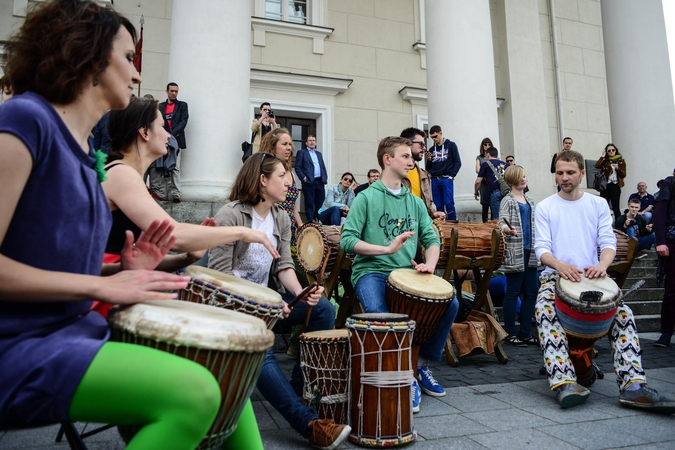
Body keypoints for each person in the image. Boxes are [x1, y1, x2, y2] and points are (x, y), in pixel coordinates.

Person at [0, 1, 233, 447]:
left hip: (73, 332)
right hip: (20, 345)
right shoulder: (24, 121)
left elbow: (61, 269)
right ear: (89, 56)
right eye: (128, 57)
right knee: (196, 392)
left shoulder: (88, 153)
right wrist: (104, 288)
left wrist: (125, 272)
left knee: (222, 363)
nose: (138, 73)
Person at [208, 152, 350, 449]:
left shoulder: (280, 217)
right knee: (263, 345)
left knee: (322, 310)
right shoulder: (231, 215)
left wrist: (302, 293)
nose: (290, 182)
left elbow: (284, 266)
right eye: (283, 176)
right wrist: (261, 305)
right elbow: (219, 277)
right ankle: (306, 422)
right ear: (262, 180)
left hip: (268, 303)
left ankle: (296, 388)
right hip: (232, 309)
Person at [535, 150, 675, 412]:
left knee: (624, 314)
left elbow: (608, 243)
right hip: (555, 276)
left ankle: (633, 385)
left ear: (582, 173)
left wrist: (602, 265)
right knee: (544, 310)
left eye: (570, 172)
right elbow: (541, 249)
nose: (564, 178)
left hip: (591, 276)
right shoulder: (545, 207)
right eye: (559, 173)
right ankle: (563, 382)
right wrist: (560, 265)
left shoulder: (597, 204)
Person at [340, 136, 459, 414]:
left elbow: (431, 238)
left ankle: (420, 366)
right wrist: (385, 248)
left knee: (450, 303)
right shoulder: (366, 197)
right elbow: (347, 240)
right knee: (382, 317)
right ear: (387, 159)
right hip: (372, 272)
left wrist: (430, 264)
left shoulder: (415, 203)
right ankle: (402, 376)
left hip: (407, 273)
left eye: (411, 156)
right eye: (405, 156)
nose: (411, 161)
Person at [102, 96, 278, 270]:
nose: (168, 134)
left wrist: (187, 257)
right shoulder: (122, 174)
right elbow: (173, 234)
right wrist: (243, 232)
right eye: (162, 127)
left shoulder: (123, 173)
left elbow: (132, 266)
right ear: (144, 132)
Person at [498, 165, 538, 347]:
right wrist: (508, 230)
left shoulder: (529, 199)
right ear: (513, 179)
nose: (524, 179)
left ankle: (525, 333)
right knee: (513, 292)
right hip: (515, 251)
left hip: (530, 251)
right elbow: (501, 223)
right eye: (521, 177)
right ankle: (510, 333)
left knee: (531, 292)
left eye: (525, 176)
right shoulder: (507, 200)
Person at [260, 128, 303, 250]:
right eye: (284, 144)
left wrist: (301, 226)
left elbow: (293, 207)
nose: (289, 148)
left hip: (290, 228)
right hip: (273, 226)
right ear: (273, 147)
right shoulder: (265, 171)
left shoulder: (291, 174)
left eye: (290, 144)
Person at [149, 82, 189, 203]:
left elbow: (183, 121)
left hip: (175, 140)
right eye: (172, 91)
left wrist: (171, 134)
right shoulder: (160, 106)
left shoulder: (182, 105)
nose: (174, 93)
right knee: (160, 165)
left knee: (175, 167)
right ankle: (162, 193)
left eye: (176, 91)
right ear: (167, 91)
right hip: (162, 140)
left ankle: (176, 193)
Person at [400, 127, 445, 220]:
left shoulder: (425, 175)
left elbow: (427, 206)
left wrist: (433, 213)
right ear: (407, 144)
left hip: (421, 227)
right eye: (421, 144)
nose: (424, 148)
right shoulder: (395, 174)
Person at [652, 173, 675, 348]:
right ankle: (666, 333)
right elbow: (660, 213)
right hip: (672, 242)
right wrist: (660, 241)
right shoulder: (670, 182)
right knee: (672, 289)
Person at [426, 125, 461, 220]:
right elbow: (428, 169)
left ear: (441, 134)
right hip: (435, 179)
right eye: (432, 137)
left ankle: (452, 222)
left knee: (448, 202)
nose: (434, 139)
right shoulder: (431, 150)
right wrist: (429, 160)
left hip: (446, 178)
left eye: (435, 136)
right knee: (438, 204)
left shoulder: (451, 145)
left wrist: (451, 176)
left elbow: (458, 162)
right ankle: (441, 225)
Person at [295, 134, 328, 221]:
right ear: (306, 143)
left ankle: (316, 221)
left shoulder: (319, 154)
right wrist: (304, 178)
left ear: (316, 142)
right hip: (309, 182)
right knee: (309, 203)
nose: (312, 142)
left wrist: (324, 178)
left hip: (320, 182)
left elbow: (323, 167)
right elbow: (297, 167)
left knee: (320, 204)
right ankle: (310, 222)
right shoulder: (302, 153)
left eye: (313, 140)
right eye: (310, 140)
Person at [474, 147, 508, 220]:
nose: (485, 158)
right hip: (506, 193)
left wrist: (476, 192)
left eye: (486, 156)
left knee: (497, 219)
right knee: (506, 216)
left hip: (495, 193)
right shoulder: (506, 165)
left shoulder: (485, 164)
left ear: (488, 155)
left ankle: (501, 230)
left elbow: (478, 181)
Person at [595, 143, 626, 219]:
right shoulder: (605, 161)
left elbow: (623, 174)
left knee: (616, 207)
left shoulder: (621, 161)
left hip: (615, 185)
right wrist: (602, 156)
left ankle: (618, 227)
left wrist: (617, 168)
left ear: (616, 150)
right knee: (604, 206)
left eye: (613, 150)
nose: (611, 152)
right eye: (609, 151)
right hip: (605, 186)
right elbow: (597, 166)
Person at [475, 138, 494, 222]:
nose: (487, 146)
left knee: (493, 205)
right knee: (485, 206)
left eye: (489, 144)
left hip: (493, 183)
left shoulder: (495, 157)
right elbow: (477, 170)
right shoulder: (480, 157)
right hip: (484, 184)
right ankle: (485, 224)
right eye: (485, 144)